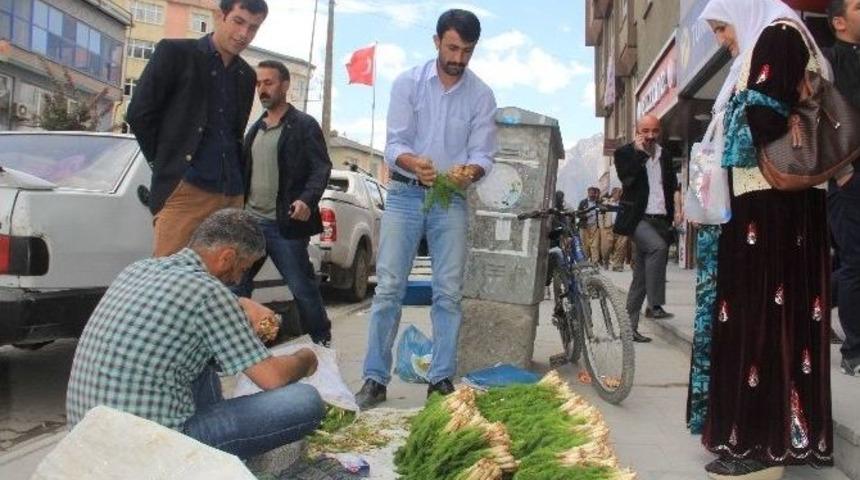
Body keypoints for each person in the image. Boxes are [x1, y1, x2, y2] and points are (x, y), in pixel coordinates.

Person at [697, 1, 836, 477]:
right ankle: (778, 435)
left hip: (771, 210)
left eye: (721, 27)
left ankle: (760, 442)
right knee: (771, 317)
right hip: (778, 208)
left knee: (761, 318)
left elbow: (762, 117)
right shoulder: (784, 38)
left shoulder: (778, 36)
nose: (722, 38)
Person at [66, 209, 324, 459]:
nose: (237, 278)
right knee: (306, 401)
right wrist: (306, 358)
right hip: (152, 450)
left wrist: (242, 304)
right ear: (227, 257)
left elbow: (188, 311)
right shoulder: (209, 293)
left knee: (201, 361)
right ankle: (210, 459)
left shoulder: (139, 270)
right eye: (243, 268)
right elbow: (272, 377)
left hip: (88, 438)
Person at [354, 8, 497, 410]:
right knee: (388, 290)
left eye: (467, 51)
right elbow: (395, 144)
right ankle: (373, 378)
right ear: (436, 42)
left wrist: (471, 170)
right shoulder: (408, 84)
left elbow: (484, 152)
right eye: (452, 48)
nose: (459, 59)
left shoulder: (481, 94)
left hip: (449, 199)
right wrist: (414, 162)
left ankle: (440, 380)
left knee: (448, 293)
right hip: (403, 194)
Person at [126, 0, 268, 257]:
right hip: (186, 189)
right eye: (239, 21)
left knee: (221, 284)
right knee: (169, 280)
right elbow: (139, 114)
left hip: (231, 194)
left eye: (253, 28)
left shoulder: (247, 76)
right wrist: (168, 164)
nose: (243, 34)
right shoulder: (176, 53)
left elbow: (234, 133)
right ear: (219, 16)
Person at [236, 60, 333, 347]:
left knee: (302, 289)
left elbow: (321, 168)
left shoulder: (303, 125)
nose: (262, 89)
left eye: (269, 82)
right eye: (259, 83)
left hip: (284, 226)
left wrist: (306, 200)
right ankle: (233, 346)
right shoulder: (254, 130)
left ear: (285, 85)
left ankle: (322, 343)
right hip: (250, 224)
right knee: (236, 287)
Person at [613, 114, 678, 343]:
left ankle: (628, 329)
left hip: (660, 219)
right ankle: (655, 305)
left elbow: (669, 187)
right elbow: (628, 180)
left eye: (655, 131)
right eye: (645, 131)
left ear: (660, 131)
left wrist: (674, 215)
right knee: (658, 249)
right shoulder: (624, 153)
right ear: (637, 130)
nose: (650, 136)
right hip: (637, 219)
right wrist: (640, 155)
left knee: (640, 278)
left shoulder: (666, 155)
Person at [825, 0, 860, 377]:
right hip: (850, 179)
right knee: (855, 262)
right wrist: (842, 170)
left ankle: (811, 302)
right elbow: (819, 116)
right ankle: (854, 351)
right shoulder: (829, 61)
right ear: (839, 22)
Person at [601, 187, 627, 272]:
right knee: (607, 247)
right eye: (617, 193)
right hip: (609, 227)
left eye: (620, 193)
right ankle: (605, 261)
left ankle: (618, 265)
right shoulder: (607, 203)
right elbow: (601, 215)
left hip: (621, 227)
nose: (619, 195)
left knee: (621, 246)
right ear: (613, 194)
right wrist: (602, 226)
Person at [577, 187, 601, 263]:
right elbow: (578, 214)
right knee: (584, 245)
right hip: (584, 226)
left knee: (595, 245)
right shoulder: (583, 202)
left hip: (594, 226)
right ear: (588, 193)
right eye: (590, 192)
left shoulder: (598, 203)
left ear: (595, 194)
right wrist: (586, 216)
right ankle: (585, 261)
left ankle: (595, 262)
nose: (592, 194)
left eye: (593, 193)